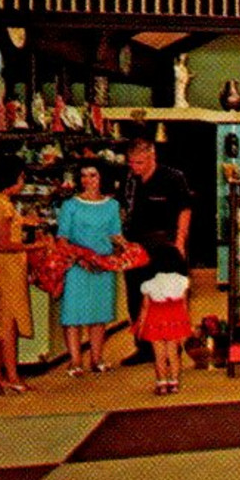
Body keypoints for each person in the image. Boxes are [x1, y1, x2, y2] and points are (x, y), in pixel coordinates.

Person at [119, 138, 192, 365]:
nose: (135, 167)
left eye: (140, 162)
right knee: (136, 297)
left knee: (167, 297)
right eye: (131, 163)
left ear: (153, 157)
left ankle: (171, 347)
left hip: (165, 245)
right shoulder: (129, 181)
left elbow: (184, 210)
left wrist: (180, 243)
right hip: (135, 246)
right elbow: (122, 210)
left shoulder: (173, 178)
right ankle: (144, 347)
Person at [56, 162, 123, 376]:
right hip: (77, 266)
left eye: (93, 175)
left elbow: (115, 235)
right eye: (84, 176)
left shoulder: (112, 205)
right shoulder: (70, 205)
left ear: (101, 178)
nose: (88, 180)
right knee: (73, 314)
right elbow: (62, 240)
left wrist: (127, 249)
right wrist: (79, 257)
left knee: (99, 314)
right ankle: (75, 361)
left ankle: (97, 359)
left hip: (103, 265)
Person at [0, 156, 37, 394]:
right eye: (22, 177)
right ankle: (12, 376)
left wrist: (25, 220)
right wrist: (34, 246)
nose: (23, 182)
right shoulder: (3, 206)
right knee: (8, 324)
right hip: (8, 268)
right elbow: (4, 244)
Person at [133, 244, 190, 395]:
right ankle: (174, 383)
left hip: (155, 320)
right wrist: (185, 323)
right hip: (175, 319)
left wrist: (140, 326)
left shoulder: (149, 284)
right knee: (173, 353)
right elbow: (184, 305)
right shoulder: (182, 281)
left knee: (159, 355)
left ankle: (162, 384)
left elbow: (145, 307)